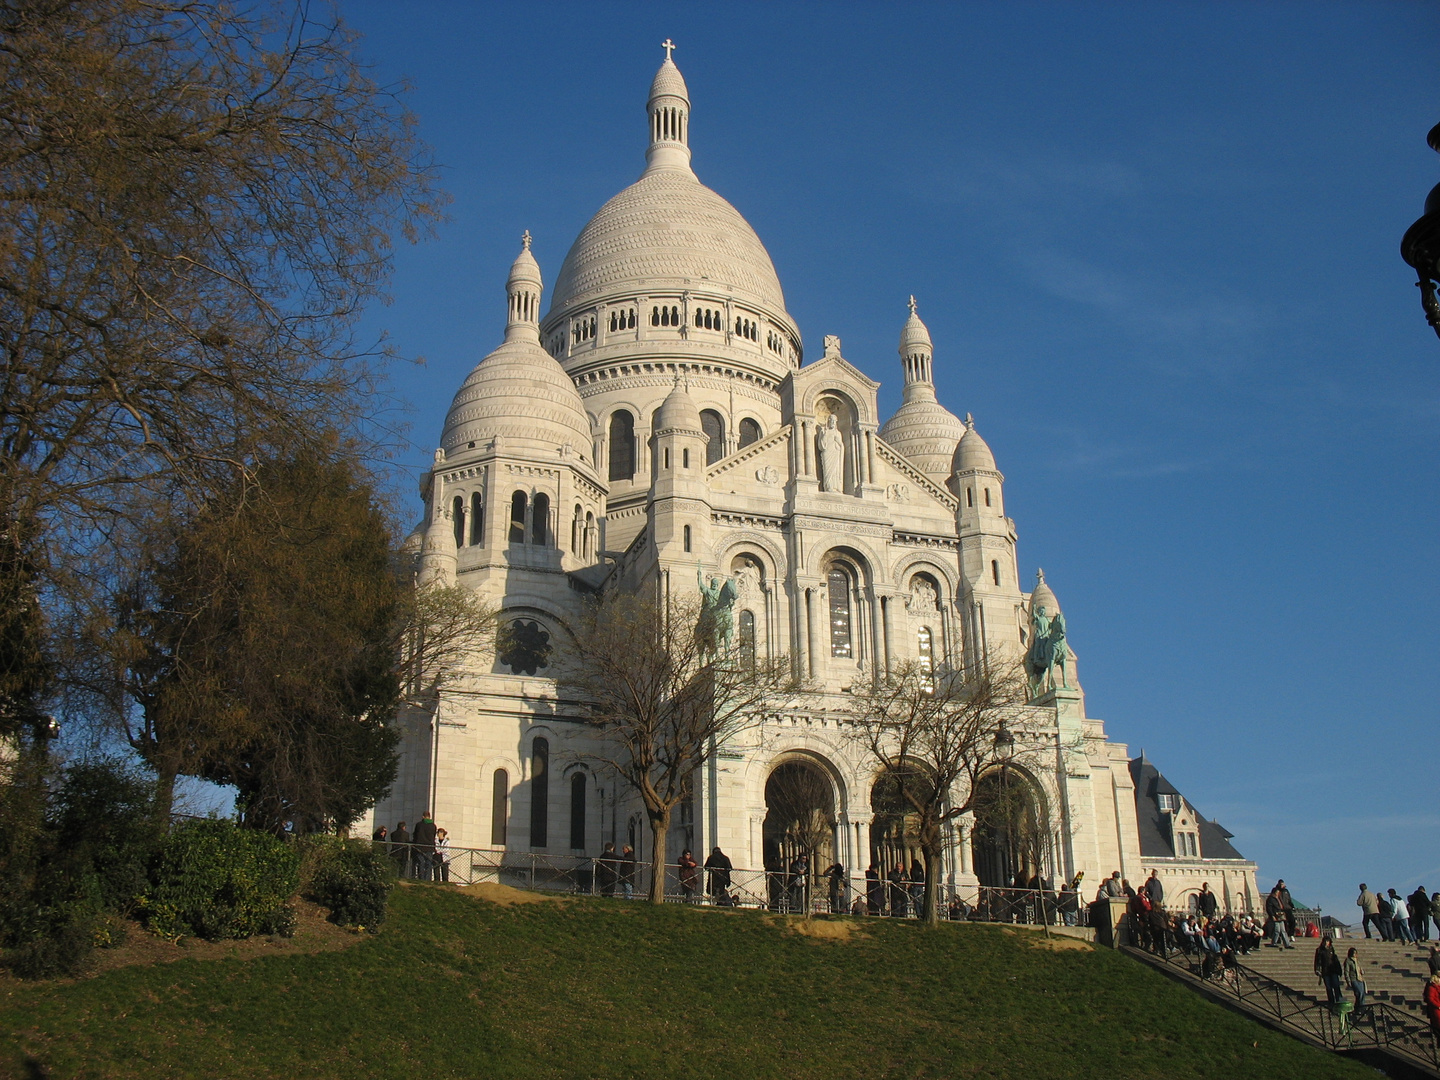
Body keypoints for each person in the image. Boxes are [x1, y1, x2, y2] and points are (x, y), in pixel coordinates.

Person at [1315, 937, 1343, 1005]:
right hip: (1325, 971)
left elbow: (1336, 960)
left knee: (1336, 986)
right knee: (1328, 987)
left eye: (1328, 941)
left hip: (1333, 970)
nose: (1326, 943)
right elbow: (1317, 961)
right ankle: (1331, 1001)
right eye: (1325, 941)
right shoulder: (1319, 950)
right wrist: (1317, 969)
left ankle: (1340, 1000)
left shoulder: (1332, 949)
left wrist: (1339, 970)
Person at [412, 812, 438, 881]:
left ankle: (421, 878)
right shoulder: (433, 826)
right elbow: (434, 836)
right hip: (430, 847)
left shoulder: (419, 825)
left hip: (420, 846)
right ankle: (428, 879)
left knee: (421, 863)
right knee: (429, 863)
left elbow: (415, 835)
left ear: (423, 817)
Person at [1343, 946, 1366, 1013]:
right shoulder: (1348, 961)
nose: (1355, 955)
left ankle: (1359, 1008)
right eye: (1354, 953)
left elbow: (1360, 968)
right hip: (1353, 979)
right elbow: (1346, 971)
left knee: (1362, 994)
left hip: (1360, 978)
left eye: (1356, 953)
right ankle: (1360, 1008)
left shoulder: (1357, 960)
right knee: (1359, 993)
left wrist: (1362, 971)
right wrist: (1348, 981)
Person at [1424, 973, 1440, 1050]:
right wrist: (1438, 1005)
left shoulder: (1437, 987)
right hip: (1436, 1010)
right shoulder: (1432, 987)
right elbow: (1430, 999)